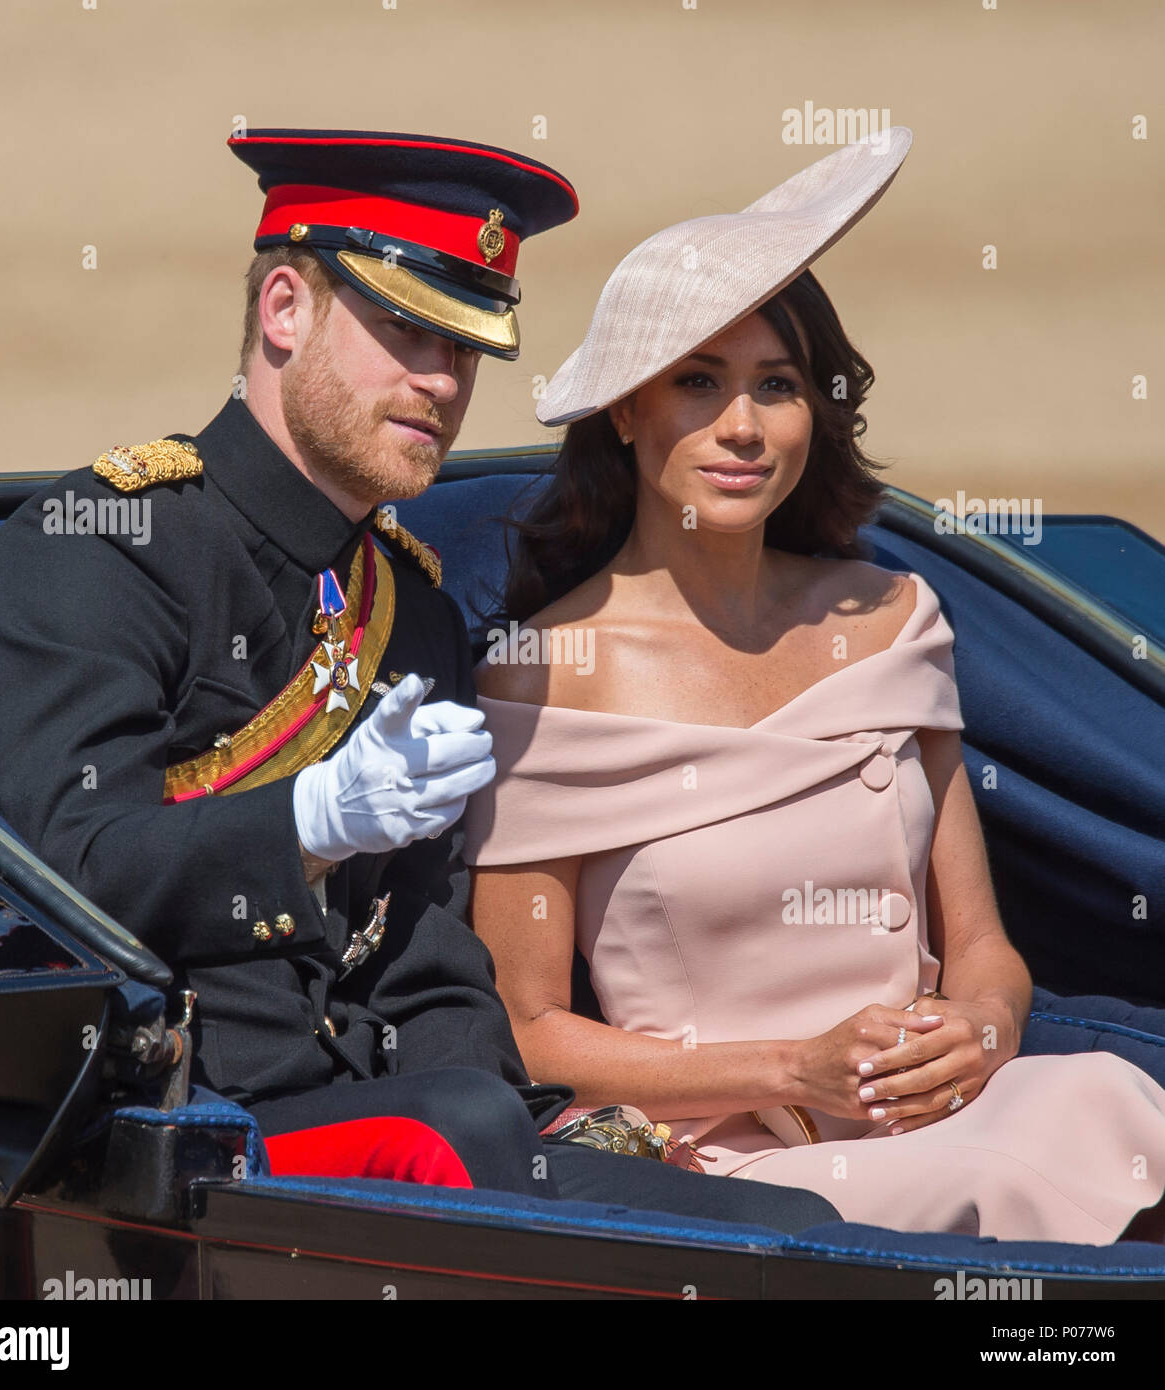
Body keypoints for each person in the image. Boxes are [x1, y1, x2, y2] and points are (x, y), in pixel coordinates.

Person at [0, 127, 837, 1229]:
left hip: (389, 1126)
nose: (441, 383)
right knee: (457, 1131)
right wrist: (304, 824)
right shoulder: (104, 543)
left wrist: (534, 1116)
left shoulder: (406, 608)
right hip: (164, 1133)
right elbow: (59, 877)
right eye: (406, 329)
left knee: (786, 1229)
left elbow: (423, 961)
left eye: (465, 349)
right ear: (283, 310)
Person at [464, 128, 1165, 1243]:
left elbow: (978, 943)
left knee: (1110, 1106)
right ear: (625, 409)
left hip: (953, 1115)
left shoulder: (887, 620)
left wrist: (980, 1028)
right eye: (697, 381)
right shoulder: (544, 673)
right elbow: (527, 1024)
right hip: (722, 1174)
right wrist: (796, 1066)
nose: (741, 426)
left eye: (775, 385)